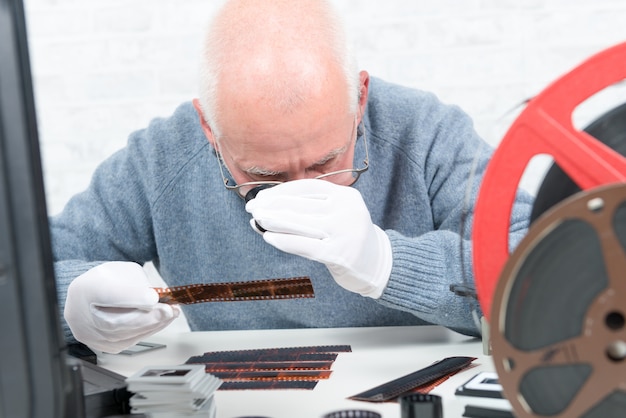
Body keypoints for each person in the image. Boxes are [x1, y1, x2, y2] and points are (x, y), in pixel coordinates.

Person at [54, 0, 533, 354]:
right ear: (208, 129)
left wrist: (387, 263)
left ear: (360, 98)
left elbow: (545, 266)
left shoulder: (426, 133)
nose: (302, 191)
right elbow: (23, 278)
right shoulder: (161, 159)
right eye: (264, 173)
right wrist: (70, 300)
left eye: (327, 163)